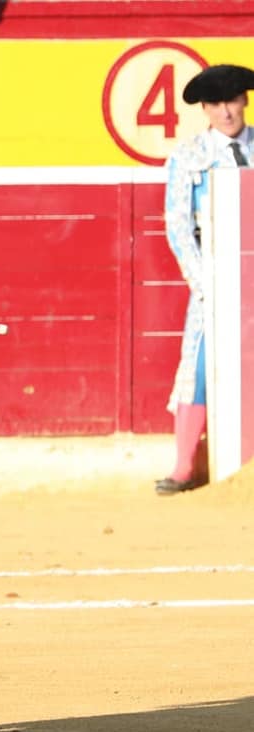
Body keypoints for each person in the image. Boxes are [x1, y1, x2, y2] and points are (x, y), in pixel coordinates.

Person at [158, 63, 254, 495]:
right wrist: (206, 285)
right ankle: (183, 466)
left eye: (232, 101)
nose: (226, 112)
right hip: (213, 282)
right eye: (215, 104)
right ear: (205, 109)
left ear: (245, 101)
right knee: (195, 365)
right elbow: (178, 225)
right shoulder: (187, 156)